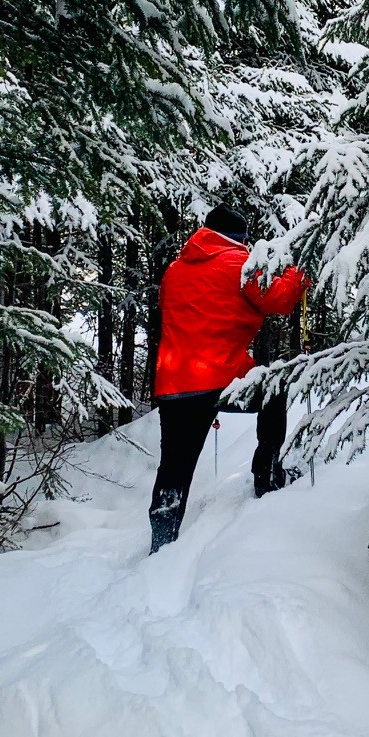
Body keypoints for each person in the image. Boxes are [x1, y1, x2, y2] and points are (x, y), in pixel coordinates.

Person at [148, 205, 307, 553]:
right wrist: (298, 272)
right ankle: (267, 478)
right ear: (238, 238)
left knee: (174, 466)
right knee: (273, 393)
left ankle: (161, 541)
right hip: (221, 376)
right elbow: (278, 299)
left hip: (174, 383)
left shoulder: (175, 270)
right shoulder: (237, 264)